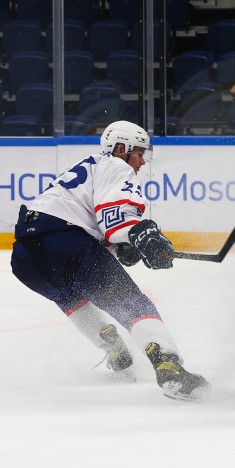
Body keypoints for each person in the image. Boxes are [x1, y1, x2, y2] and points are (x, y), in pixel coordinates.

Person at [10, 120, 210, 402]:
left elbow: (98, 230)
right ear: (120, 149)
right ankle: (169, 367)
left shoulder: (86, 168)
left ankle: (114, 348)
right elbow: (114, 218)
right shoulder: (116, 166)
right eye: (139, 153)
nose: (141, 162)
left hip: (25, 257)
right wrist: (142, 234)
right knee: (132, 303)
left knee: (71, 297)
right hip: (65, 242)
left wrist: (124, 246)